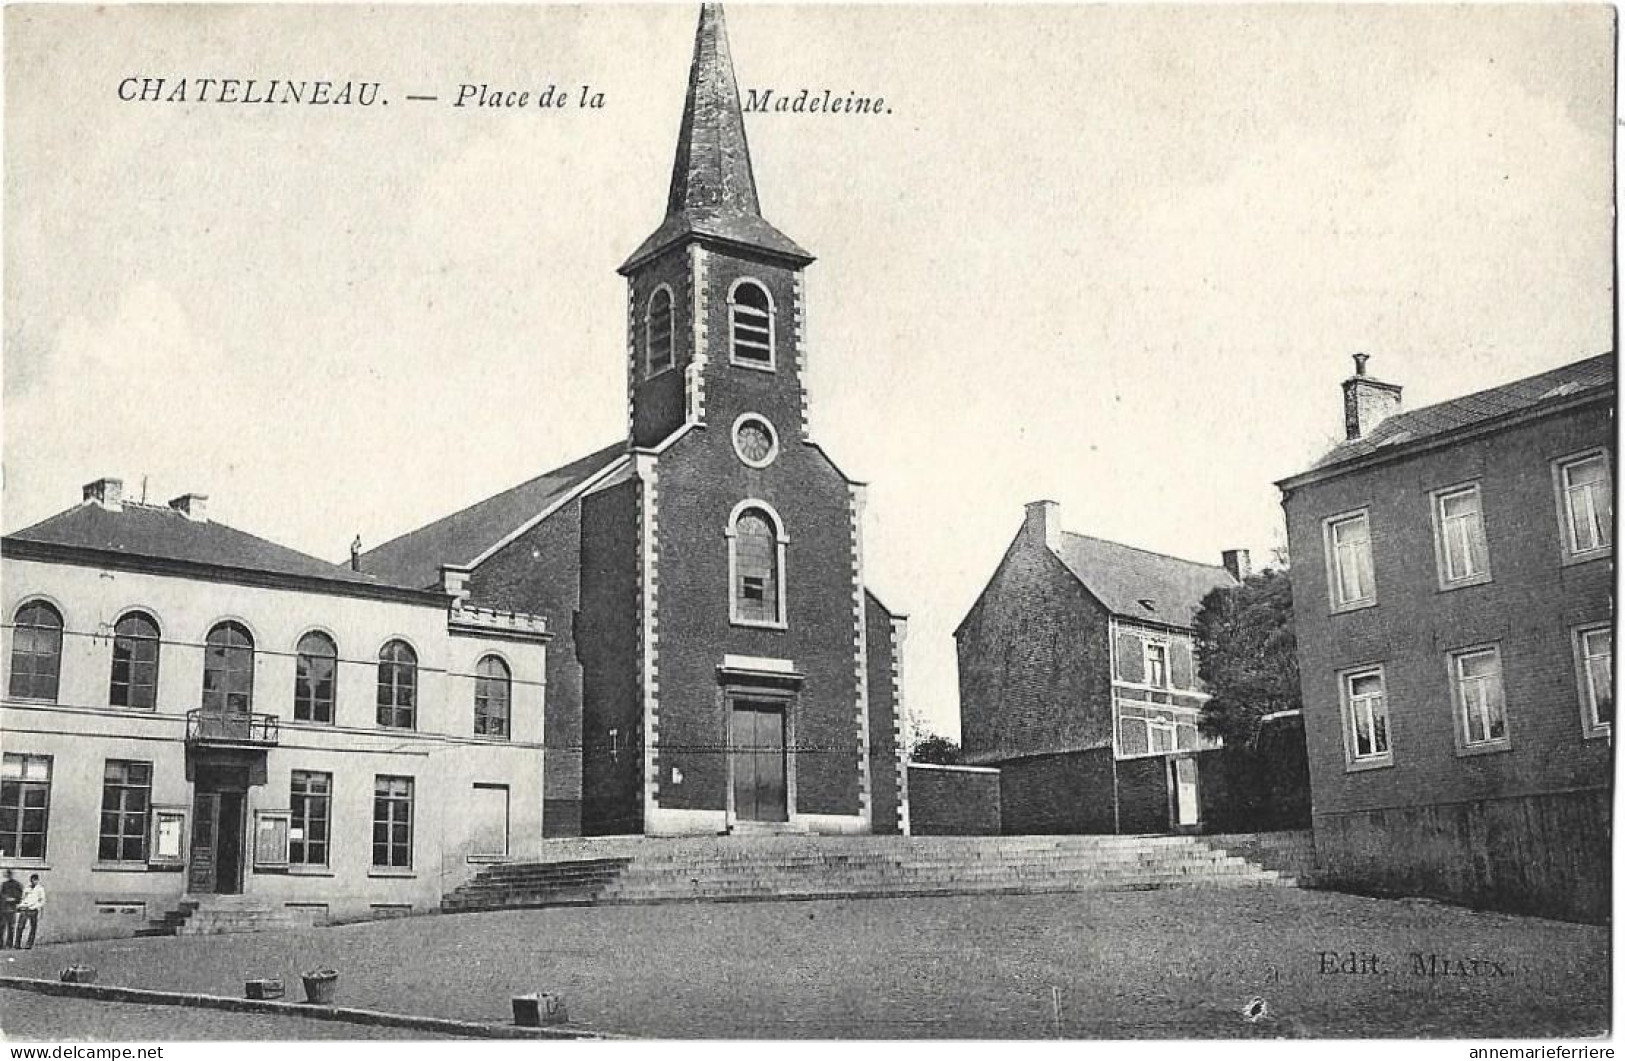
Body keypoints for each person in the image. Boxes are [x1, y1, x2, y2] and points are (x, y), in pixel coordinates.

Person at [14, 874, 44, 949]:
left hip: (33, 910)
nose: (33, 881)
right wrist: (21, 906)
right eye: (32, 880)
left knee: (33, 927)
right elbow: (23, 898)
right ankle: (17, 944)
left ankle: (29, 944)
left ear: (37, 880)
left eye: (35, 880)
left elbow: (42, 901)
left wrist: (35, 906)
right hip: (25, 909)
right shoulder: (27, 888)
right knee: (20, 926)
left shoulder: (40, 889)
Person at [0, 870, 20, 948]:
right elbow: (1, 896)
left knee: (11, 927)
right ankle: (1, 944)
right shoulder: (4, 885)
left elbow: (19, 897)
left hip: (11, 909)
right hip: (3, 910)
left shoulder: (17, 885)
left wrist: (12, 899)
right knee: (2, 927)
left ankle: (9, 944)